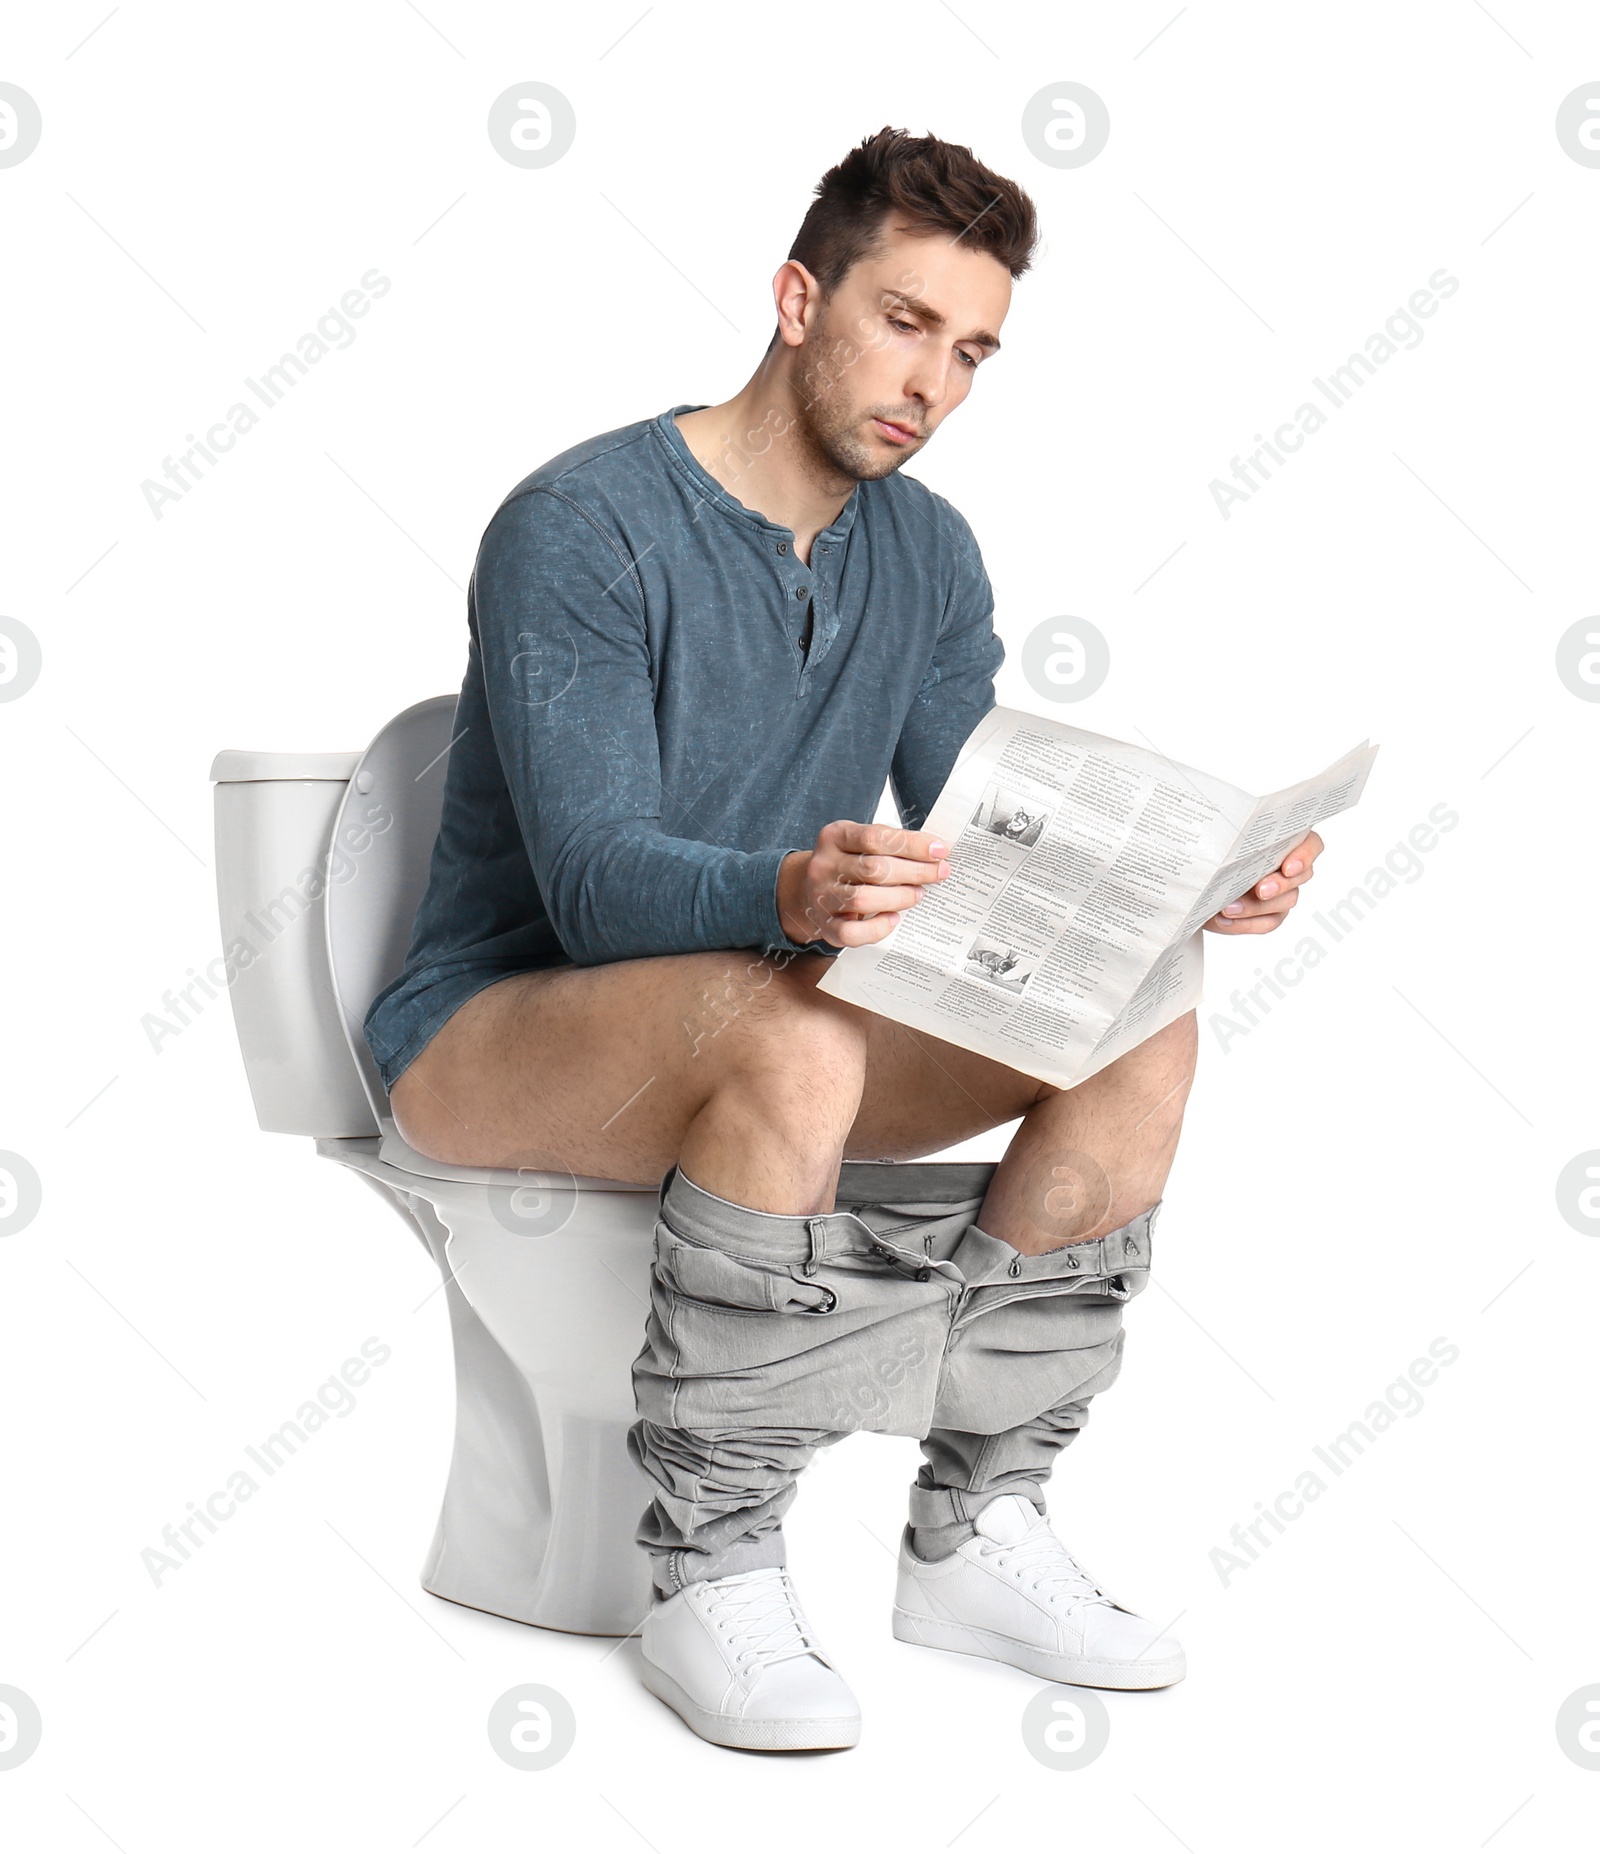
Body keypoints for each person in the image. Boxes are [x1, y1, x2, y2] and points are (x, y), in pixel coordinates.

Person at [363, 127, 1324, 1752]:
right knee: (794, 1028)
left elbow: (991, 829)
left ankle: (977, 1523)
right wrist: (797, 894)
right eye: (902, 321)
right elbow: (592, 884)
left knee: (1137, 1002)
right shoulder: (580, 523)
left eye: (971, 351)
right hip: (498, 1026)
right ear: (800, 297)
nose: (932, 382)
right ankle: (709, 1566)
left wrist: (1171, 885)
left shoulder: (929, 551)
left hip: (758, 1012)